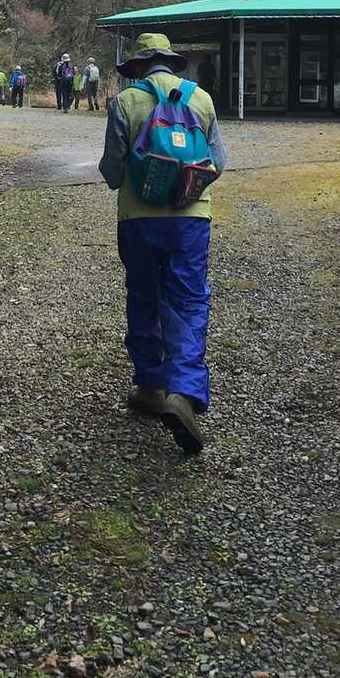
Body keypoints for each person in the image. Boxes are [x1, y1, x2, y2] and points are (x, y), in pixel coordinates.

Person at [98, 32, 227, 456]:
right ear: (171, 63)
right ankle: (183, 391)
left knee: (144, 295)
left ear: (138, 66)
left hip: (138, 219)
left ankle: (151, 385)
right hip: (191, 219)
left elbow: (113, 172)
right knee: (189, 299)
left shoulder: (125, 102)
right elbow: (219, 163)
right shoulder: (201, 100)